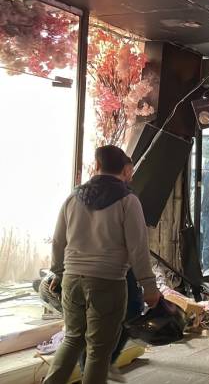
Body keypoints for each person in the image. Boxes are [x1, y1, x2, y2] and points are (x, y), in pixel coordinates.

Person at [44, 145, 161, 384]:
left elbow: (58, 240)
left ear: (96, 166)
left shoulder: (72, 197)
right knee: (98, 350)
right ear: (126, 170)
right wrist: (149, 287)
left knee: (73, 339)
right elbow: (137, 247)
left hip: (72, 279)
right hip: (107, 282)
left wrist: (57, 271)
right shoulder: (128, 200)